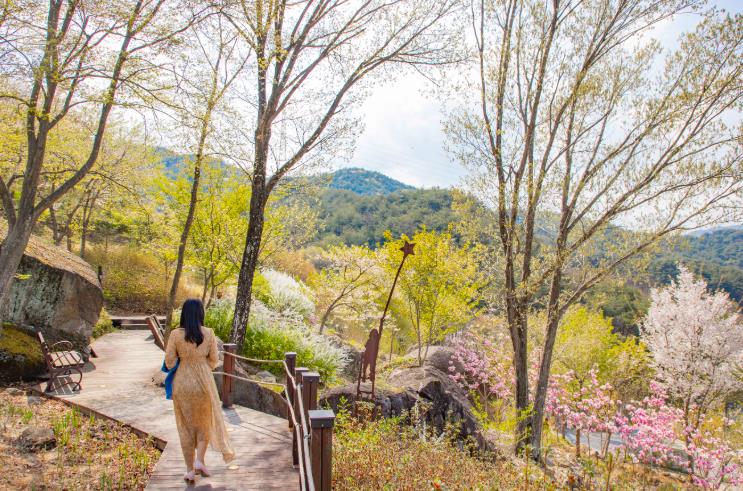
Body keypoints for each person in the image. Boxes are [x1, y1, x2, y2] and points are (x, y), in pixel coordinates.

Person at [164, 298, 235, 483]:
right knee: (204, 424)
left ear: (184, 314)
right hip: (204, 383)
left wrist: (183, 361)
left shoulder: (175, 334)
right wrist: (202, 366)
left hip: (182, 383)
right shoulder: (209, 333)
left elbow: (169, 362)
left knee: (185, 427)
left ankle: (189, 470)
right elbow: (214, 360)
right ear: (201, 313)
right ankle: (200, 461)